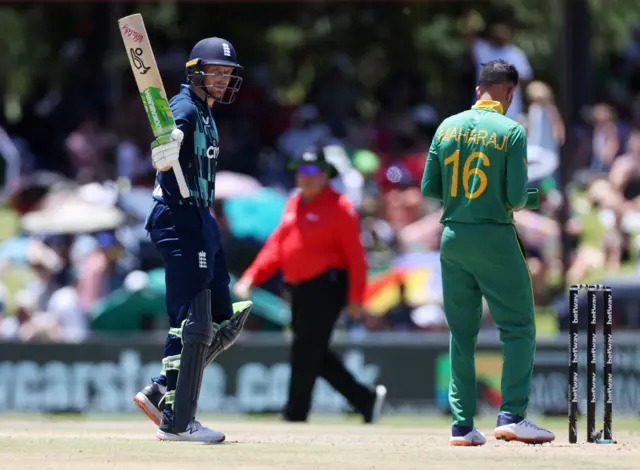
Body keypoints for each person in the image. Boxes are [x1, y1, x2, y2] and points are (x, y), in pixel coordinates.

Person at [421, 59, 555, 446]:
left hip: (452, 237)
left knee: (461, 334)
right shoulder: (511, 130)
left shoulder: (447, 126)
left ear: (480, 88)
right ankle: (512, 415)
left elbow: (431, 187)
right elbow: (515, 196)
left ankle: (462, 425)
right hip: (494, 237)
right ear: (510, 92)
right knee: (518, 326)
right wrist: (533, 196)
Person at [132, 37, 253, 443]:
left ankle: (163, 389)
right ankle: (178, 421)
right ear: (195, 71)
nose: (221, 79)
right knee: (193, 318)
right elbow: (166, 142)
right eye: (215, 71)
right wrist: (162, 152)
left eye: (227, 73)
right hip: (178, 215)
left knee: (224, 319)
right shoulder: (184, 107)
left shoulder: (206, 111)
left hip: (201, 216)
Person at [233, 146, 387, 423]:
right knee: (312, 351)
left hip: (327, 286)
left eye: (315, 171)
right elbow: (277, 246)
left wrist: (356, 298)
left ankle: (295, 413)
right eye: (303, 171)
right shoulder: (293, 203)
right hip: (298, 289)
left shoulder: (341, 207)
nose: (308, 177)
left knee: (305, 349)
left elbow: (356, 257)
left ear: (326, 175)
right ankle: (366, 398)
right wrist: (251, 276)